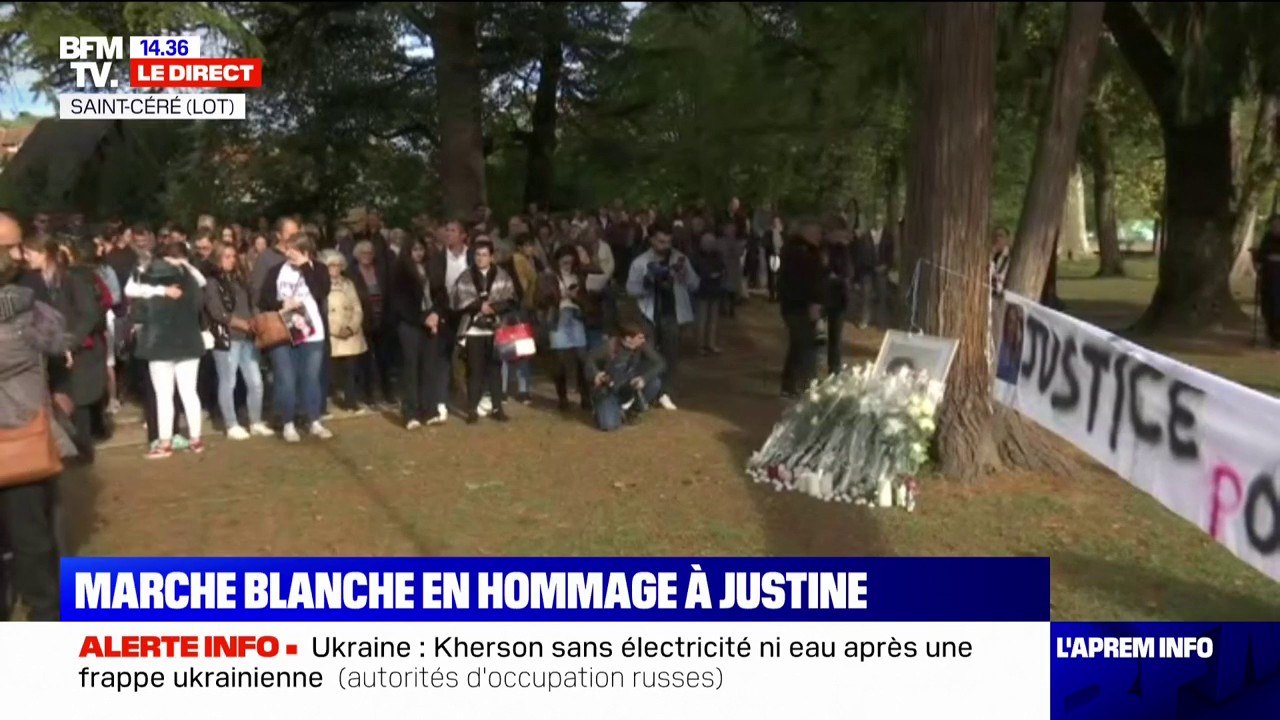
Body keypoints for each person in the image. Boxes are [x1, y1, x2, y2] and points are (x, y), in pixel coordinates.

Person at [0, 244, 76, 621]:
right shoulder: (33, 312)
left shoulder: (22, 317)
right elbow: (60, 341)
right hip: (24, 432)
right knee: (32, 534)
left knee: (28, 536)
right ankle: (45, 611)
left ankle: (43, 610)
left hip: (17, 438)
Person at [21, 236, 106, 463]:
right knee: (66, 396)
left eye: (30, 253)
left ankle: (84, 450)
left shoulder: (72, 279)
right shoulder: (40, 280)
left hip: (80, 348)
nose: (26, 257)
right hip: (59, 347)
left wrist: (70, 342)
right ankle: (75, 446)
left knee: (80, 399)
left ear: (44, 254)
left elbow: (89, 314)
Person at [127, 241, 208, 458]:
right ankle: (196, 439)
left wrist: (155, 284)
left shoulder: (151, 276)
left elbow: (129, 288)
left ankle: (165, 443)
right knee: (189, 393)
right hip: (189, 340)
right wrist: (186, 266)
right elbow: (202, 282)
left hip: (159, 342)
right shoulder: (190, 278)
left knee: (164, 395)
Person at [257, 233, 332, 442]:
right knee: (286, 379)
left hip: (311, 331)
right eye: (287, 248)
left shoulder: (319, 269)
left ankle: (314, 420)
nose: (288, 253)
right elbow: (263, 299)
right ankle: (288, 423)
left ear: (305, 251)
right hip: (283, 332)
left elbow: (321, 292)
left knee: (311, 378)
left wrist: (306, 267)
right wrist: (282, 304)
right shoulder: (276, 271)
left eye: (293, 249)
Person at [203, 242, 271, 440]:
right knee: (228, 381)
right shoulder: (212, 282)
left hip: (247, 337)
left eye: (233, 256)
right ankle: (231, 424)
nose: (231, 260)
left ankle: (255, 421)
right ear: (217, 258)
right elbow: (216, 311)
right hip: (227, 338)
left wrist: (255, 321)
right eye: (227, 256)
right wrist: (241, 323)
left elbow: (251, 303)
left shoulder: (240, 279)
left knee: (255, 381)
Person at [625, 228, 698, 410]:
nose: (665, 246)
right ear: (651, 240)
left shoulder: (680, 259)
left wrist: (684, 275)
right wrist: (647, 283)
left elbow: (695, 284)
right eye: (660, 241)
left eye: (668, 242)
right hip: (648, 315)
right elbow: (630, 290)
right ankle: (645, 392)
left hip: (672, 314)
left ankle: (665, 392)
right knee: (647, 355)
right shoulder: (640, 262)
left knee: (670, 355)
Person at [450, 239, 514, 424]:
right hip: (473, 329)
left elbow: (510, 298)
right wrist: (479, 305)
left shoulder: (502, 275)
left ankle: (497, 407)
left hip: (496, 328)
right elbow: (458, 299)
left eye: (484, 255)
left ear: (491, 257)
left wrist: (493, 307)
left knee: (495, 369)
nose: (480, 258)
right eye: (477, 255)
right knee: (474, 369)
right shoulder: (465, 276)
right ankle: (472, 409)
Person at [389, 237, 448, 429]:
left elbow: (441, 295)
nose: (419, 253)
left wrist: (436, 314)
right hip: (410, 324)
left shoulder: (432, 269)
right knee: (411, 369)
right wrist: (423, 318)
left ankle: (429, 410)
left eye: (421, 249)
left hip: (431, 323)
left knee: (429, 367)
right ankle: (410, 413)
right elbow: (399, 304)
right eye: (415, 249)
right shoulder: (400, 272)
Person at [538, 245, 593, 412]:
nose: (568, 266)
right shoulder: (549, 276)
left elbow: (586, 297)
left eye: (570, 262)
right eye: (564, 262)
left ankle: (585, 396)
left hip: (575, 316)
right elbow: (541, 299)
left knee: (581, 359)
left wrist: (577, 297)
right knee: (560, 360)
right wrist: (562, 295)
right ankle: (562, 398)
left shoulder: (579, 275)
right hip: (559, 316)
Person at [587, 323, 667, 431]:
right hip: (608, 391)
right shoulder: (609, 347)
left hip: (628, 386)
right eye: (639, 337)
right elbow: (589, 359)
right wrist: (596, 374)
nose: (643, 340)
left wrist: (644, 379)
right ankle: (603, 411)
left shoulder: (641, 346)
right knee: (609, 426)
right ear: (628, 338)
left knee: (655, 383)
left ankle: (632, 412)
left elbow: (660, 363)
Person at [778, 221, 825, 398]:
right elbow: (805, 281)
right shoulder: (800, 253)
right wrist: (812, 302)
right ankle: (806, 384)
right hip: (798, 307)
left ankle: (791, 384)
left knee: (798, 346)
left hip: (798, 306)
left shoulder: (806, 251)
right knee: (804, 345)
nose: (819, 237)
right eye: (816, 233)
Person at [349, 240, 396, 409]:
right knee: (366, 361)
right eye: (363, 253)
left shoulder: (380, 271)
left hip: (382, 320)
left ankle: (388, 392)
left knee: (385, 359)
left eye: (369, 253)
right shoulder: (352, 273)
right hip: (364, 322)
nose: (367, 256)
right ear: (357, 255)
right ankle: (368, 394)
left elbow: (389, 292)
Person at [322, 250, 369, 413]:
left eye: (338, 265)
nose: (335, 268)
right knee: (330, 372)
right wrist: (336, 330)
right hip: (333, 334)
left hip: (351, 333)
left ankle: (351, 402)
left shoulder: (348, 284)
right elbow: (323, 312)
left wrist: (351, 327)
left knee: (351, 370)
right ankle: (323, 405)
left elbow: (357, 307)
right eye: (331, 265)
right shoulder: (321, 284)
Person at [504, 233, 540, 404]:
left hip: (513, 308)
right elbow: (525, 286)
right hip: (519, 308)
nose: (531, 248)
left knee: (508, 348)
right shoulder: (520, 260)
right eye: (528, 245)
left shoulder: (524, 260)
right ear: (520, 247)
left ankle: (505, 389)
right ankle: (523, 390)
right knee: (522, 350)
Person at [821, 224, 853, 374]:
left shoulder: (843, 250)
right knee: (818, 335)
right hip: (822, 296)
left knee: (835, 335)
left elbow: (848, 272)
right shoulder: (822, 248)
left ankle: (834, 367)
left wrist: (837, 277)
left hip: (838, 298)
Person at [690, 231, 725, 354]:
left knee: (713, 320)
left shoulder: (717, 255)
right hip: (702, 291)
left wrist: (719, 274)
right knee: (701, 320)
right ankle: (700, 345)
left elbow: (722, 268)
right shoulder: (696, 256)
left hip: (715, 290)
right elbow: (695, 272)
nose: (709, 245)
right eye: (707, 243)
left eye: (711, 243)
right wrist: (708, 275)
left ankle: (711, 343)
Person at [1255, 215, 1280, 347]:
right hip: (1268, 276)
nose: (1275, 227)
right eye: (1273, 225)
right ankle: (1271, 334)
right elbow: (1261, 255)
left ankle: (1277, 336)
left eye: (1278, 224)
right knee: (1268, 305)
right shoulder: (1267, 238)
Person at [990, 227, 1012, 298]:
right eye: (996, 236)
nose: (997, 238)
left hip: (1001, 295)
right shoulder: (993, 254)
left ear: (1007, 239)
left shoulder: (1010, 256)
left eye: (1001, 236)